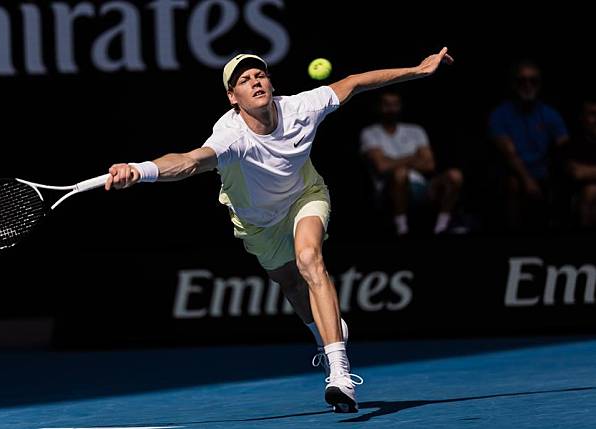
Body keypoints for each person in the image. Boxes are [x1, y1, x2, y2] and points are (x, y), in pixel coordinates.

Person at [105, 48, 454, 412]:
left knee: (308, 259)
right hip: (257, 221)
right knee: (289, 281)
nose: (254, 81)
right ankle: (323, 334)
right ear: (232, 97)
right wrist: (141, 169)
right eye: (243, 80)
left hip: (305, 195)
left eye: (259, 75)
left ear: (270, 82)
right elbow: (190, 162)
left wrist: (417, 69)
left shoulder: (301, 107)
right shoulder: (230, 136)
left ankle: (339, 372)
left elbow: (354, 83)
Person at [360, 90, 464, 235]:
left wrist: (392, 160)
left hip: (421, 185)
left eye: (395, 104)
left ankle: (442, 226)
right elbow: (382, 166)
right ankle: (402, 228)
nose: (391, 109)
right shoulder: (370, 133)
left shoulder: (415, 130)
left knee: (455, 175)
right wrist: (413, 157)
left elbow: (429, 165)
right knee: (400, 173)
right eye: (386, 104)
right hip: (388, 190)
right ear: (378, 107)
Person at [488, 59, 569, 232]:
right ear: (513, 84)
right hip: (515, 172)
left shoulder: (550, 114)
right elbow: (508, 153)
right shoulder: (500, 114)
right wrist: (528, 180)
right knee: (513, 185)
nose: (527, 85)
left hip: (545, 173)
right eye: (522, 81)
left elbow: (565, 146)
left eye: (533, 81)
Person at [566, 98, 596, 229]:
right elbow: (577, 174)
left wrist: (589, 171)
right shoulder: (572, 144)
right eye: (592, 114)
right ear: (582, 118)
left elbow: (584, 172)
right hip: (579, 200)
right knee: (591, 191)